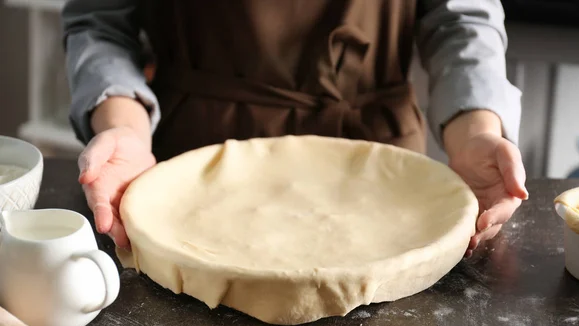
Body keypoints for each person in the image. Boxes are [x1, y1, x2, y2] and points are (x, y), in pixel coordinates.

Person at [62, 0, 528, 257]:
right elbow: (100, 23)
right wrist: (123, 126)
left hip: (382, 174)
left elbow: (460, 19)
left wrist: (475, 134)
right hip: (190, 169)